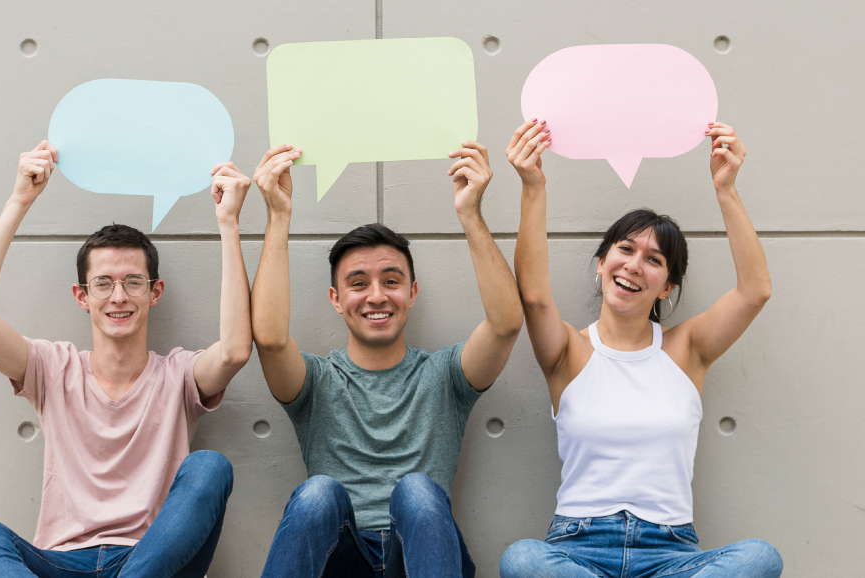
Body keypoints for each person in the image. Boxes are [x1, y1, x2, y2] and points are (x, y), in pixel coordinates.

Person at [0, 141, 253, 577]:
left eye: (133, 281)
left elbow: (237, 350)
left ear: (155, 292)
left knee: (210, 467)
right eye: (103, 283)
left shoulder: (178, 375)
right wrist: (19, 200)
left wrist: (229, 222)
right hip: (61, 562)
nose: (118, 296)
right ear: (82, 296)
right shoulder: (52, 369)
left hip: (149, 561)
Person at [499, 120, 783, 578]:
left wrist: (726, 189)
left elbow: (755, 292)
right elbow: (533, 295)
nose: (634, 265)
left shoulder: (687, 349)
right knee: (522, 559)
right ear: (601, 263)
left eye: (654, 260)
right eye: (625, 249)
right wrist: (533, 185)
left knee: (760, 557)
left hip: (670, 554)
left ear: (667, 287)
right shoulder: (568, 352)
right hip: (578, 549)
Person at [250, 142, 524, 578]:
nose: (376, 296)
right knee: (318, 493)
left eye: (391, 281)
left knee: (416, 491)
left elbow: (506, 324)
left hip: (421, 558)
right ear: (336, 299)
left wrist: (471, 213)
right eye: (358, 284)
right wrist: (278, 214)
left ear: (411, 294)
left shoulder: (445, 375)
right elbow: (268, 340)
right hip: (342, 562)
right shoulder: (316, 381)